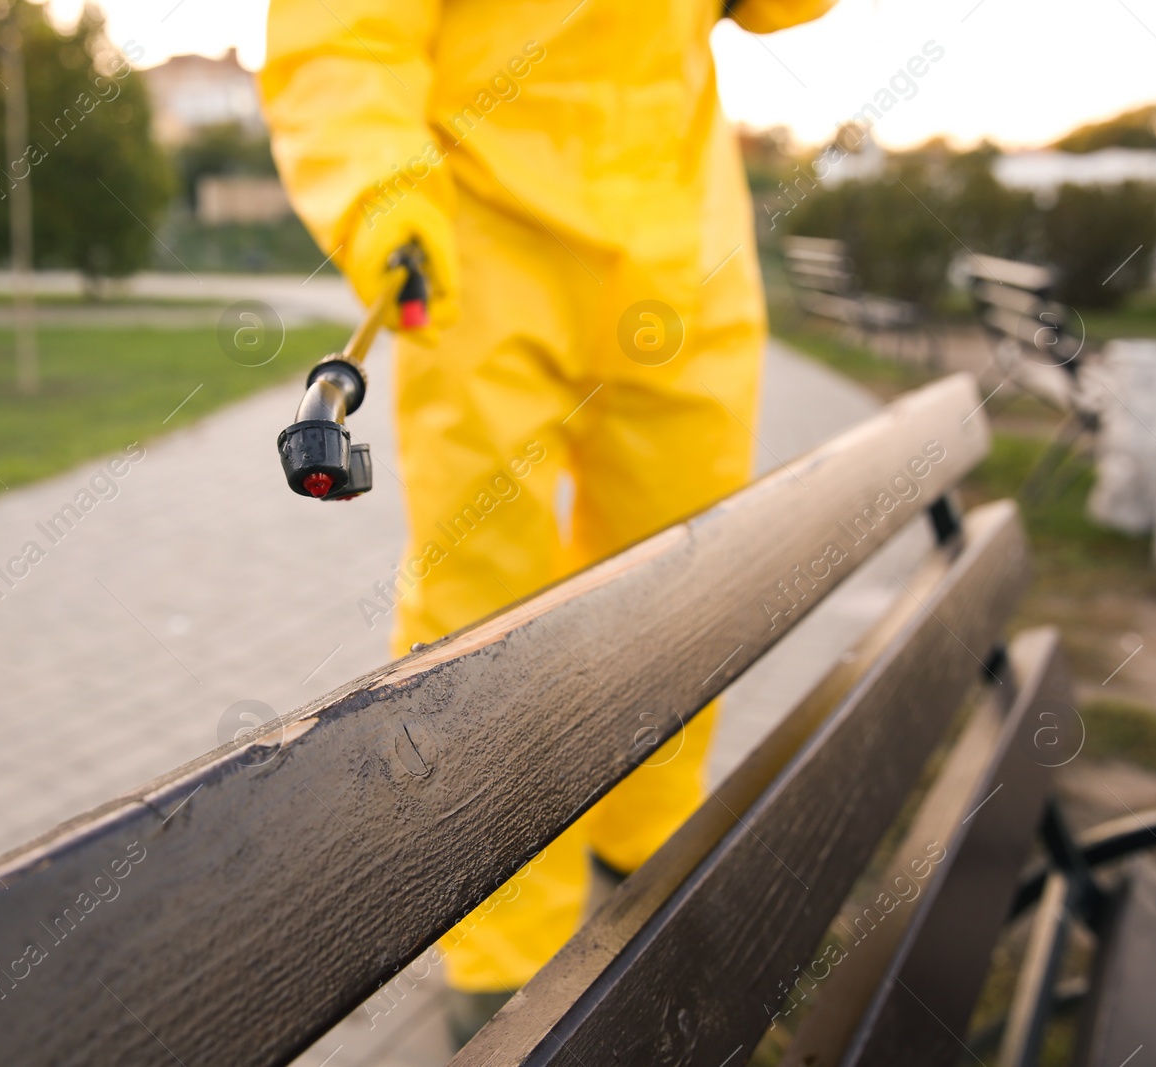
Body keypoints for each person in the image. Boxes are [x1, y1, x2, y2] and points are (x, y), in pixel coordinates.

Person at [262, 0, 837, 1044]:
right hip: (481, 250)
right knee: (484, 618)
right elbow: (342, 37)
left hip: (676, 251)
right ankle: (500, 964)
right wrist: (380, 195)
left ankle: (645, 860)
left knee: (687, 583)